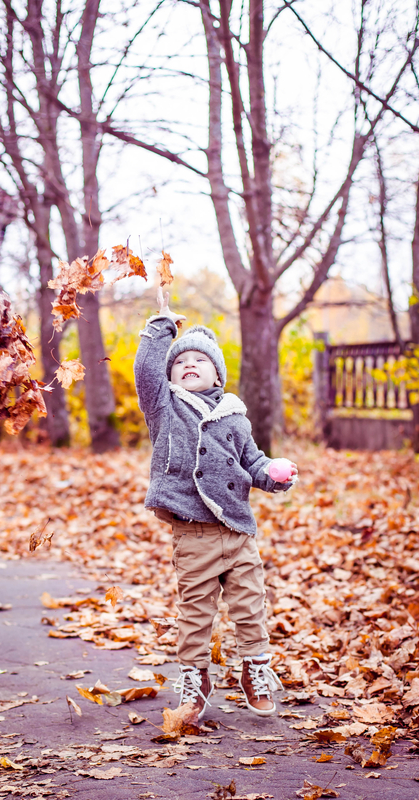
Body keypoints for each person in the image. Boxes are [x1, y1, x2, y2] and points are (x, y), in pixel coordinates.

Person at [134, 288, 298, 719]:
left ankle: (254, 668)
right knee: (195, 613)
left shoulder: (235, 416)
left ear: (217, 374)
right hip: (193, 533)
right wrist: (160, 328)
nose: (189, 364)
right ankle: (195, 677)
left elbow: (252, 461)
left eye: (199, 360)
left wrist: (272, 475)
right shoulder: (165, 407)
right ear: (170, 376)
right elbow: (147, 372)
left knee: (251, 606)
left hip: (238, 530)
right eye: (180, 362)